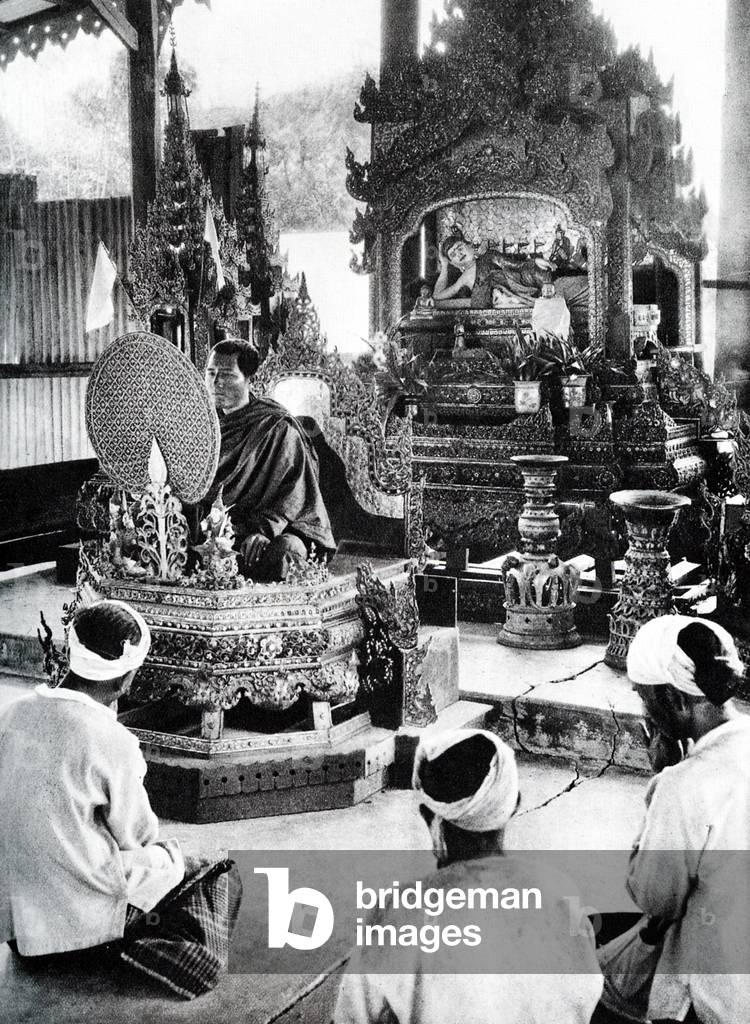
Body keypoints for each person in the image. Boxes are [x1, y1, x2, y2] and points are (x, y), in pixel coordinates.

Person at [0, 600, 241, 997]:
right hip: (80, 923)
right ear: (123, 680)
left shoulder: (10, 714)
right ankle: (118, 943)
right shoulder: (112, 740)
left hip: (19, 928)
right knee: (209, 869)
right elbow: (138, 837)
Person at [335, 729, 603, 1024]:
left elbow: (351, 1016)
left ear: (427, 815)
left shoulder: (398, 910)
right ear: (514, 804)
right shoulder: (560, 892)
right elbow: (585, 997)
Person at [597, 616, 750, 1024]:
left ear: (677, 700)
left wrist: (661, 782)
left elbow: (654, 896)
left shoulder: (683, 785)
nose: (643, 710)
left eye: (645, 697)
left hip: (723, 999)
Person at [203, 338, 336, 581]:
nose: (215, 383)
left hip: (272, 529)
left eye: (227, 375)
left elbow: (293, 493)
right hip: (215, 529)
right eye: (210, 373)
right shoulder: (200, 425)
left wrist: (264, 531)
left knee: (285, 553)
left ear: (248, 379)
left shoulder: (277, 427)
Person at [433, 231, 546, 309]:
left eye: (460, 248)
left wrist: (534, 262)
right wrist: (444, 266)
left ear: (470, 245)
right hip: (496, 306)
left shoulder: (489, 256)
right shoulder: (464, 278)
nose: (459, 254)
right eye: (453, 254)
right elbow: (437, 296)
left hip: (518, 294)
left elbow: (515, 265)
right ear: (453, 263)